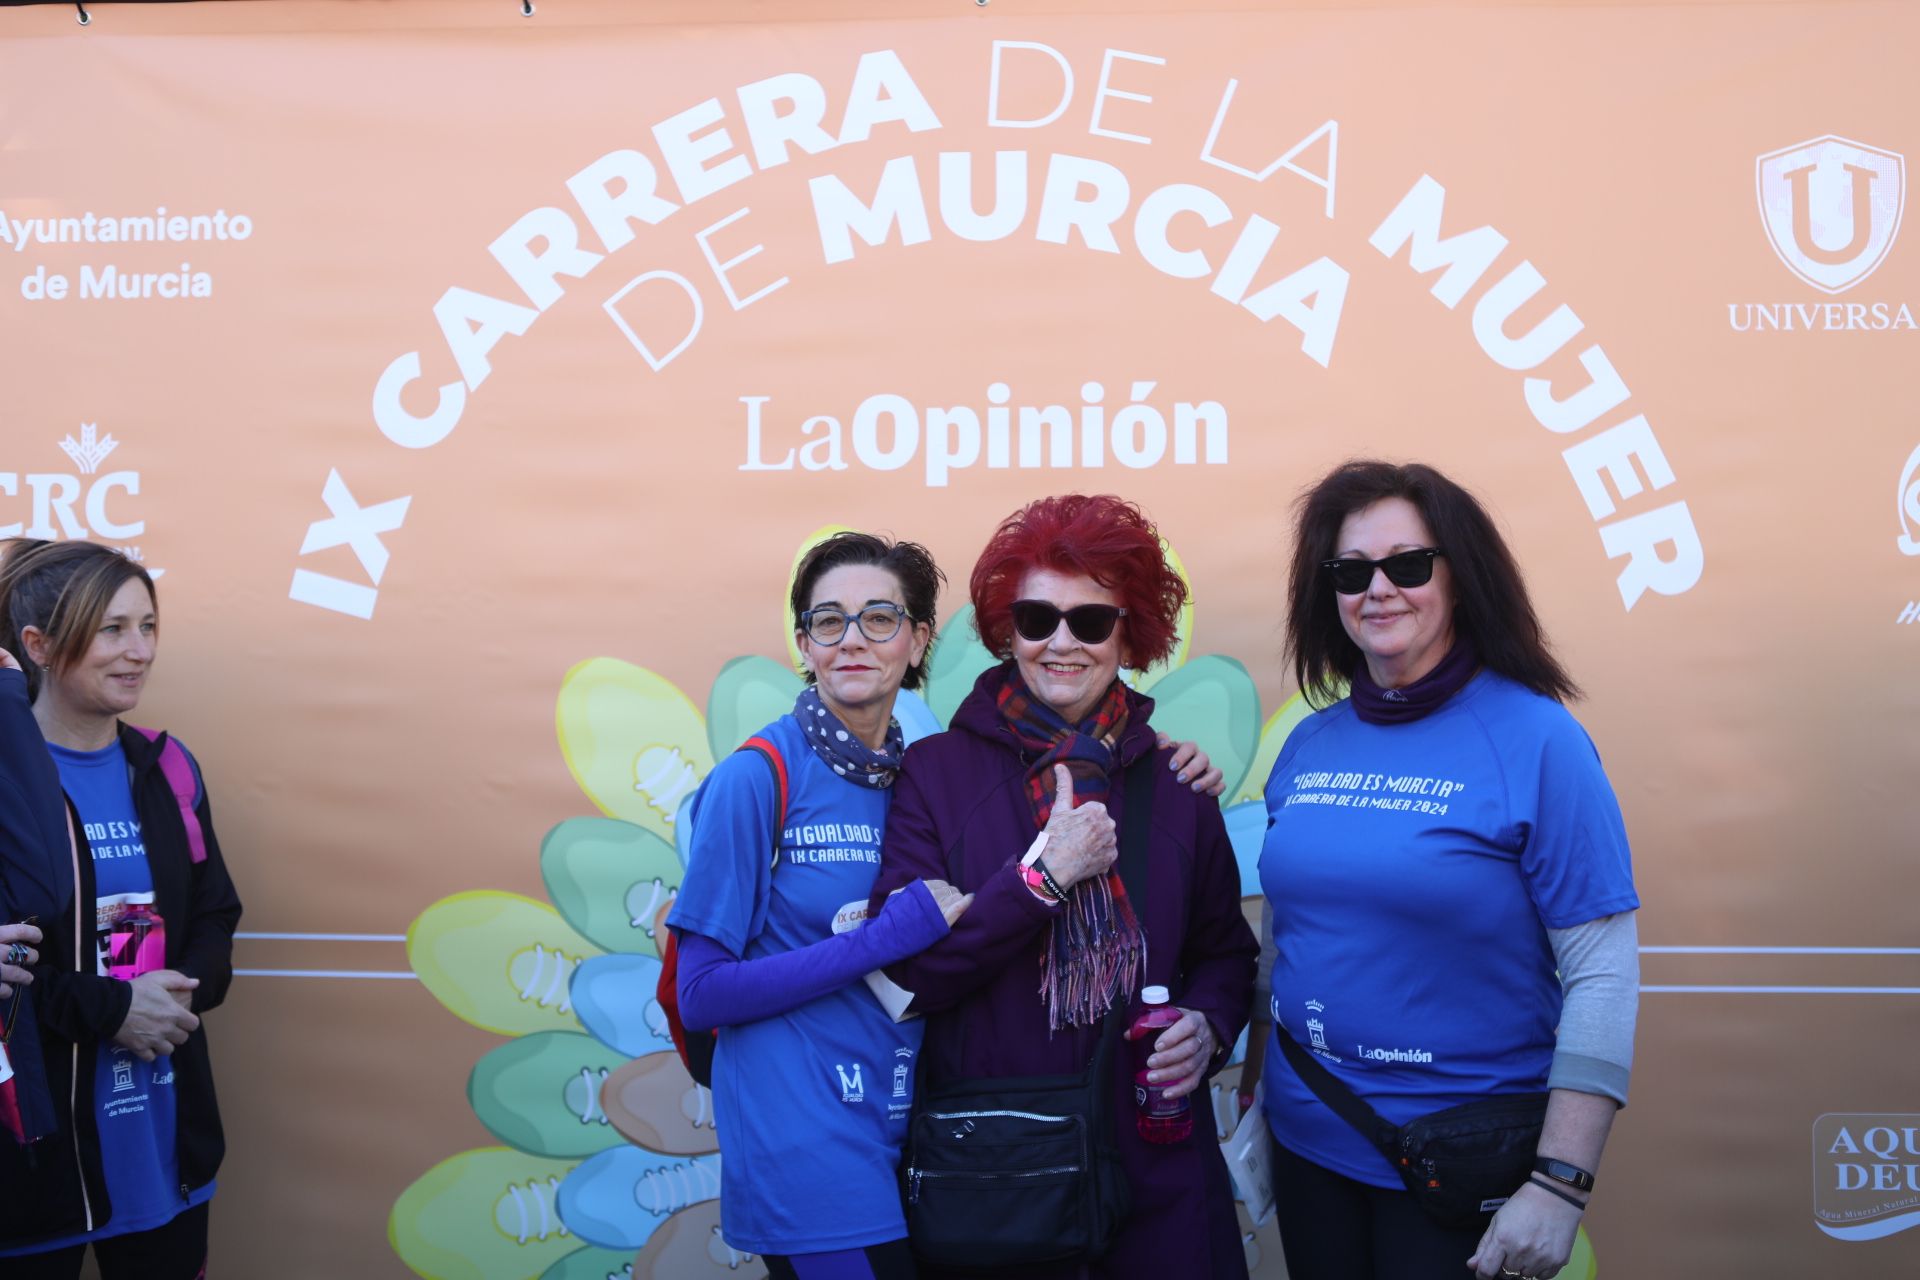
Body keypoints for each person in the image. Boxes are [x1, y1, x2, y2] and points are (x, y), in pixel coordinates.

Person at [1258, 461, 1640, 1280]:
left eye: (1408, 564)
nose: (1379, 590)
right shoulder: (1308, 746)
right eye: (1352, 571)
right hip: (1308, 1142)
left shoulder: (1540, 741)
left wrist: (1561, 1185)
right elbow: (1290, 941)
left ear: (1460, 578)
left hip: (1461, 1163)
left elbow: (1602, 972)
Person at [871, 494, 1258, 1280]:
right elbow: (905, 975)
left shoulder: (1177, 782)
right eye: (1037, 618)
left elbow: (1226, 951)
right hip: (1001, 1179)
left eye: (1091, 621)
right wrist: (1039, 882)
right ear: (1004, 627)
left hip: (1158, 1174)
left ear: (1130, 632)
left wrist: (1209, 1023)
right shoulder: (938, 773)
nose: (1061, 643)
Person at [0, 540, 243, 1279]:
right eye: (110, 630)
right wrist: (113, 1008)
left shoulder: (167, 765)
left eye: (147, 626)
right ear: (37, 646)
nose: (137, 651)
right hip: (33, 1159)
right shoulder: (8, 783)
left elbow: (214, 912)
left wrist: (173, 997)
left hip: (165, 1146)